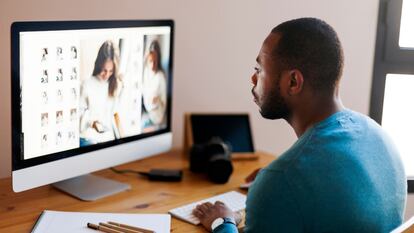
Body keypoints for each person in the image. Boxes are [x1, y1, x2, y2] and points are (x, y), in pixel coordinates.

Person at [193, 18, 407, 233]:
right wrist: (281, 181)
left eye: (260, 69)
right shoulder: (381, 137)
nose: (252, 78)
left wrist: (222, 222)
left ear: (293, 82)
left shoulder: (281, 181)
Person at [79, 40, 121, 144]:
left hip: (106, 138)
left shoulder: (114, 85)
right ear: (99, 65)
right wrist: (91, 123)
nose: (107, 75)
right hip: (89, 138)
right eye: (104, 70)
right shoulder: (87, 84)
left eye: (111, 71)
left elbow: (114, 115)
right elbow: (79, 115)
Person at [142, 40, 167, 130]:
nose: (152, 64)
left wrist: (157, 101)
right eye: (150, 61)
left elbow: (163, 102)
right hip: (147, 111)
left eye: (155, 61)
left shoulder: (160, 77)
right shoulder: (146, 72)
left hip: (156, 117)